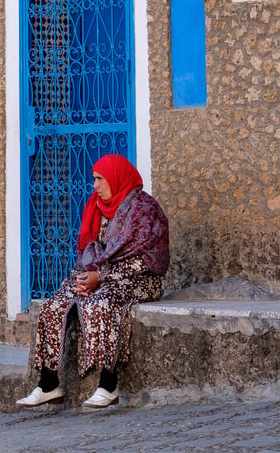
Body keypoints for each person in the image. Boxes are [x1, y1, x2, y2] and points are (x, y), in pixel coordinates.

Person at [16, 154, 170, 409]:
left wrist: (102, 277)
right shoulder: (97, 206)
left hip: (140, 280)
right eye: (94, 180)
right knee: (55, 304)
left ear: (116, 178)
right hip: (101, 276)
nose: (94, 185)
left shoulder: (144, 210)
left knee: (100, 302)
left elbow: (151, 260)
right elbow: (92, 251)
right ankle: (48, 384)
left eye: (99, 179)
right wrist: (85, 278)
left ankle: (109, 384)